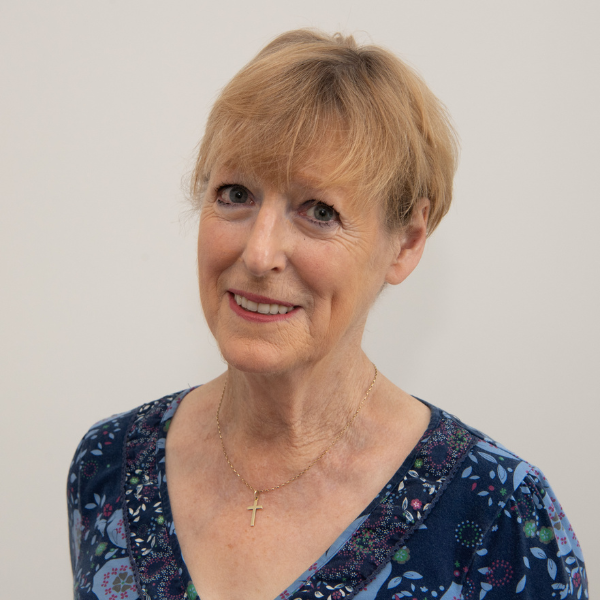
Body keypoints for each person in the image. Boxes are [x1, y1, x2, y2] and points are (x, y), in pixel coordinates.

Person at [67, 29, 588, 600]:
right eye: (235, 194)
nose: (259, 254)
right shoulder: (108, 465)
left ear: (407, 242)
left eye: (319, 211)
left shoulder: (501, 517)